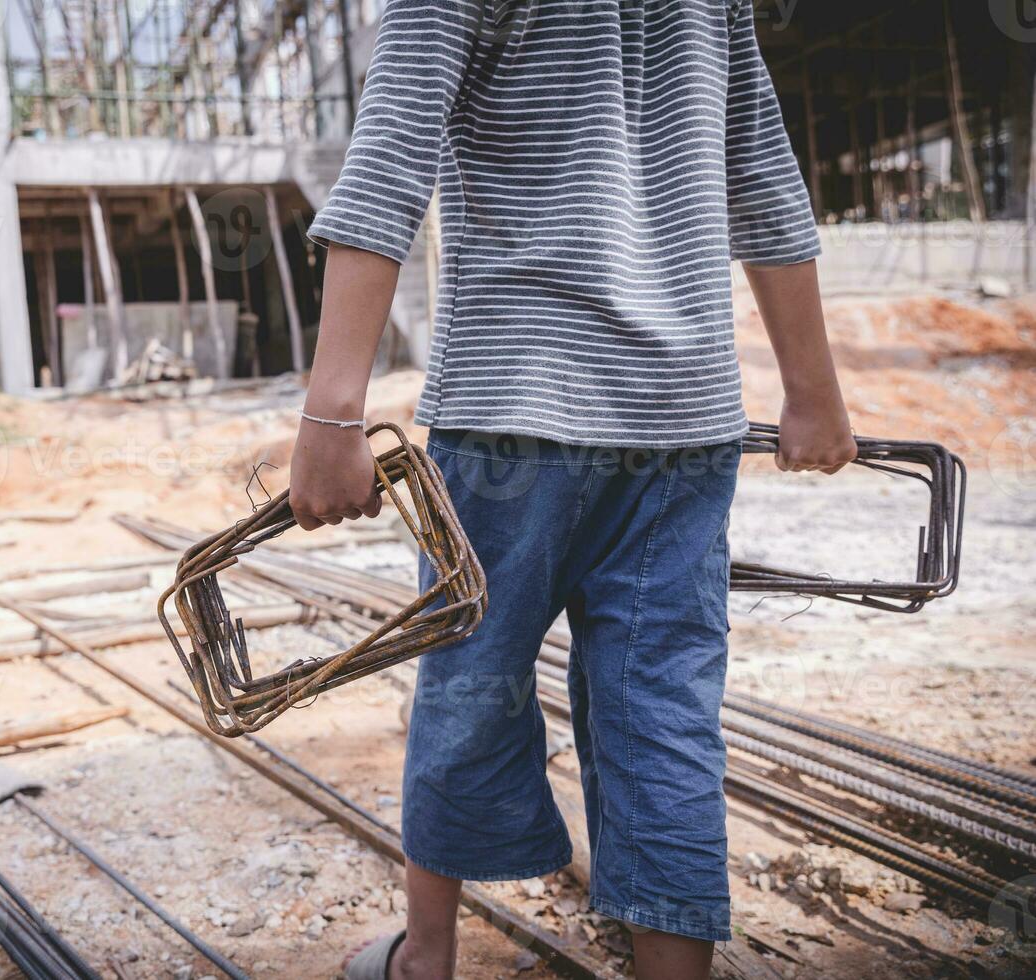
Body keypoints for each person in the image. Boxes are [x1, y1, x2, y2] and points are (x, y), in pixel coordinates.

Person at [286, 3, 857, 979]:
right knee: (665, 702)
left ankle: (425, 956)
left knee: (469, 672)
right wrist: (813, 392)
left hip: (517, 398)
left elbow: (389, 159)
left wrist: (334, 408)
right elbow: (760, 169)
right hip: (680, 417)